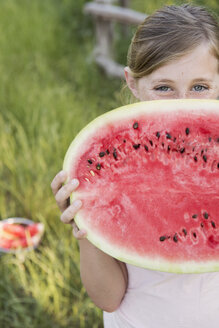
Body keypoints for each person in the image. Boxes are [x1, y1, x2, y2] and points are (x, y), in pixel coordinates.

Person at [51, 4, 219, 327]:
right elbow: (108, 297)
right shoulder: (109, 167)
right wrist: (88, 227)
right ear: (132, 83)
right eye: (163, 88)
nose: (182, 103)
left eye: (200, 87)